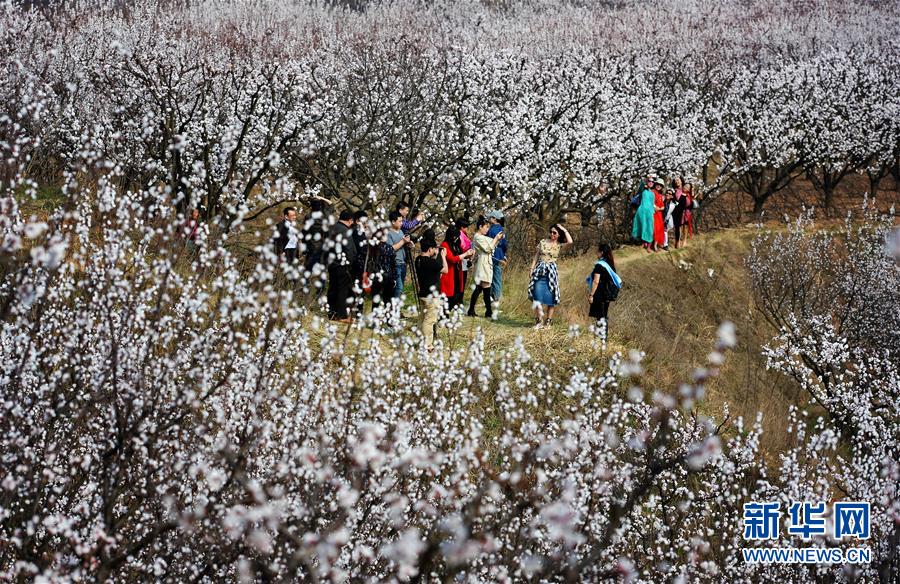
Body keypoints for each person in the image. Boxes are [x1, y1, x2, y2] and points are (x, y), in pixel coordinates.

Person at [527, 223, 573, 328]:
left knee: (550, 298)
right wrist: (531, 268)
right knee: (536, 296)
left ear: (559, 235)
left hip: (551, 273)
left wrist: (563, 229)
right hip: (539, 271)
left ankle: (548, 321)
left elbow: (570, 241)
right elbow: (536, 255)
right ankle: (539, 321)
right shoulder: (543, 242)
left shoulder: (559, 245)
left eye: (555, 233)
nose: (552, 234)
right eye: (551, 232)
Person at [467, 216, 505, 318]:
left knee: (479, 288)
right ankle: (488, 312)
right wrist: (496, 239)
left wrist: (498, 239)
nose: (487, 229)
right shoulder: (477, 237)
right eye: (486, 227)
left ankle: (472, 310)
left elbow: (492, 244)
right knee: (486, 288)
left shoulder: (482, 237)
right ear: (480, 227)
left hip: (485, 263)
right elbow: (488, 248)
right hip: (483, 264)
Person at [415, 239, 448, 350]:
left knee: (422, 318)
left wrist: (435, 255)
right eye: (434, 248)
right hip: (431, 297)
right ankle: (427, 345)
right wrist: (443, 256)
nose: (435, 250)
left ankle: (420, 341)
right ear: (430, 249)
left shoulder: (418, 260)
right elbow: (445, 270)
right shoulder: (431, 263)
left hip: (423, 294)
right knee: (429, 321)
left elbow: (432, 270)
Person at [325, 210, 357, 322]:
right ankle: (341, 315)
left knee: (333, 288)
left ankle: (331, 313)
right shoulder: (345, 231)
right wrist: (350, 263)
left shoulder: (331, 228)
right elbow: (349, 250)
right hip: (343, 264)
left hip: (332, 262)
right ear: (350, 220)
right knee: (342, 290)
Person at [440, 223, 474, 311]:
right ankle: (444, 315)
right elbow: (452, 259)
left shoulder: (456, 244)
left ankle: (448, 313)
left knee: (457, 295)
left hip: (458, 273)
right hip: (450, 273)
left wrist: (468, 255)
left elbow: (460, 255)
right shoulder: (445, 245)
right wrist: (465, 254)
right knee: (448, 297)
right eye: (455, 236)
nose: (456, 238)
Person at [588, 243, 622, 328]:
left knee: (600, 317)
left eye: (597, 251)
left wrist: (591, 295)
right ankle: (603, 338)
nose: (596, 253)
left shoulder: (599, 265)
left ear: (601, 252)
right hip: (608, 294)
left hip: (600, 294)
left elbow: (596, 281)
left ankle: (602, 338)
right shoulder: (610, 264)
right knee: (604, 316)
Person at [386, 211, 412, 299]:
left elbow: (402, 245)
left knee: (399, 288)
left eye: (402, 221)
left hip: (402, 263)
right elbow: (390, 249)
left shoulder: (401, 232)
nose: (402, 223)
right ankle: (394, 308)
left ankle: (393, 307)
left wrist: (408, 243)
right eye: (400, 221)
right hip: (395, 264)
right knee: (399, 288)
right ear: (393, 222)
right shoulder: (388, 233)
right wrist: (403, 242)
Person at [486, 210, 508, 304]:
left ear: (495, 219)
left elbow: (488, 242)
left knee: (492, 277)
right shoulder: (501, 230)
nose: (489, 219)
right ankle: (496, 297)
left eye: (491, 217)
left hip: (492, 255)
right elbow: (504, 244)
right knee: (497, 276)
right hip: (500, 255)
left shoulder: (491, 230)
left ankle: (495, 297)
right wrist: (504, 255)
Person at [301, 198, 328, 271]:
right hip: (322, 246)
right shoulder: (323, 217)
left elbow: (304, 232)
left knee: (308, 269)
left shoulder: (308, 216)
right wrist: (322, 198)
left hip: (311, 245)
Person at [631, 178, 655, 252]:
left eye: (652, 182)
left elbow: (652, 203)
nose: (651, 183)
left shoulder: (652, 193)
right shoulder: (643, 190)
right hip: (641, 211)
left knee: (650, 228)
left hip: (649, 212)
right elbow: (641, 184)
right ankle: (643, 243)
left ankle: (649, 246)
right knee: (642, 227)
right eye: (649, 181)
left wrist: (652, 212)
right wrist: (646, 178)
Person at [672, 177, 687, 249]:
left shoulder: (684, 190)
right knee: (677, 226)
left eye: (678, 180)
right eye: (675, 181)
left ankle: (684, 241)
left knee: (684, 226)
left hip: (684, 211)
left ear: (681, 181)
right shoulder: (674, 191)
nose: (676, 181)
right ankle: (677, 241)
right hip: (676, 211)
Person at [652, 181, 666, 251]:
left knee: (659, 229)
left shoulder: (660, 195)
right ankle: (653, 245)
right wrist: (655, 207)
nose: (659, 186)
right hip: (654, 213)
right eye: (658, 184)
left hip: (659, 214)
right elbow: (651, 202)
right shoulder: (652, 192)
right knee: (655, 228)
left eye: (660, 185)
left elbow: (663, 205)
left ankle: (656, 244)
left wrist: (661, 208)